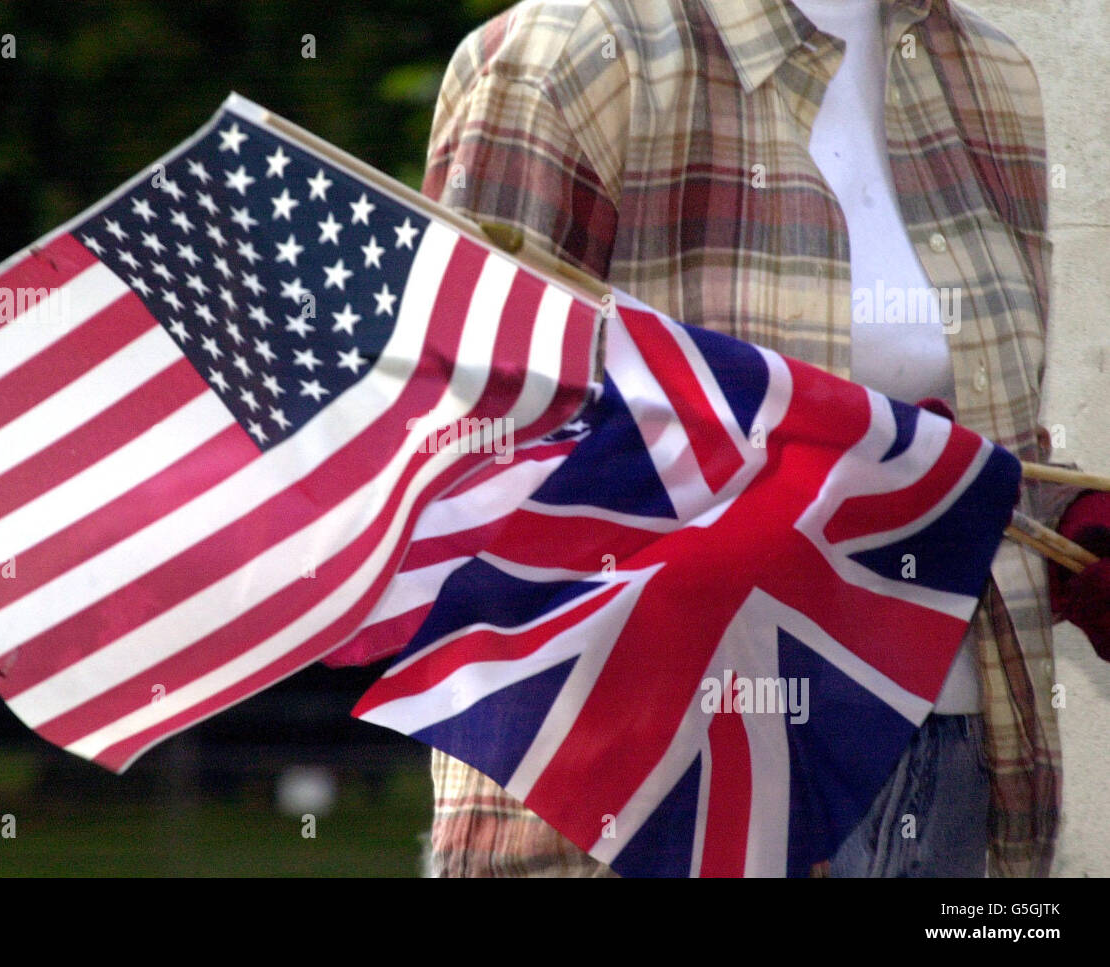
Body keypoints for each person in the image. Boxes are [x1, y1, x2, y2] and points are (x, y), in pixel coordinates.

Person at [416, 0, 1110, 876]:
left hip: (958, 768)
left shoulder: (990, 73)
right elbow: (461, 457)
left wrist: (1072, 520)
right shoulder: (578, 52)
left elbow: (977, 436)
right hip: (672, 783)